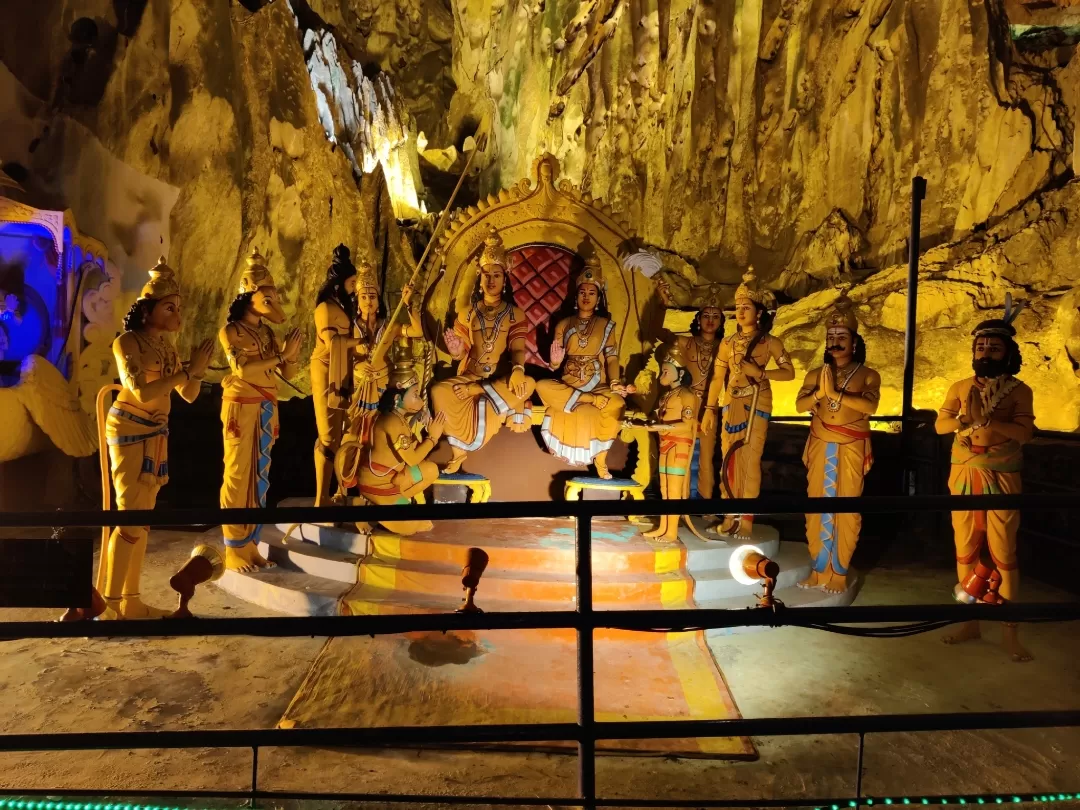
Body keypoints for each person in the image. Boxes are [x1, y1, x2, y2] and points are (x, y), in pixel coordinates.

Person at [101, 257, 213, 618]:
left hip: (156, 433)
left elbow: (190, 395)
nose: (176, 314)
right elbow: (142, 392)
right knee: (129, 520)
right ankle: (110, 605)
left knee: (142, 522)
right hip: (130, 430)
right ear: (147, 311)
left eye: (178, 307)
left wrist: (196, 371)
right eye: (169, 307)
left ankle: (130, 600)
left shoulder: (167, 347)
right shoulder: (127, 343)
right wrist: (188, 372)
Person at [935, 298, 1035, 662]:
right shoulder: (960, 387)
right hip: (963, 475)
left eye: (994, 347)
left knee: (1004, 552)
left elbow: (1024, 433)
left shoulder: (1019, 391)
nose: (986, 351)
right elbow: (940, 425)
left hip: (1001, 476)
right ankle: (970, 619)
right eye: (980, 346)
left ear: (1008, 352)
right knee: (965, 548)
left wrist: (988, 423)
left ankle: (1010, 630)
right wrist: (964, 421)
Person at [218, 250, 302, 573]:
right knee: (237, 476)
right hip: (241, 407)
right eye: (266, 298)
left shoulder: (267, 333)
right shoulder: (231, 332)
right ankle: (233, 547)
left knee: (260, 476)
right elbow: (243, 370)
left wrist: (290, 355)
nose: (272, 304)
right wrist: (280, 357)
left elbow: (287, 375)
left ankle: (251, 544)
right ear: (248, 295)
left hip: (267, 405)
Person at [794, 293, 880, 593]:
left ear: (854, 342)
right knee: (815, 505)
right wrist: (821, 393)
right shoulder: (817, 374)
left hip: (851, 445)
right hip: (820, 442)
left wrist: (837, 396)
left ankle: (839, 572)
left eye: (841, 336)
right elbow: (799, 405)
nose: (835, 341)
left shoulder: (868, 375)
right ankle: (818, 570)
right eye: (830, 336)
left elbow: (870, 408)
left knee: (847, 507)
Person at [431, 227, 535, 473]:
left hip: (498, 378)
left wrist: (518, 370)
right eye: (486, 274)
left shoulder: (514, 313)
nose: (491, 280)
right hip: (470, 374)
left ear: (505, 277)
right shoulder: (467, 313)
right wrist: (457, 351)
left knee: (527, 383)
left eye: (496, 275)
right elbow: (463, 349)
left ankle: (480, 391)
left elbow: (518, 349)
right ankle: (458, 453)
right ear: (479, 277)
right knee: (438, 391)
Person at [700, 268, 794, 538]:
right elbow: (717, 377)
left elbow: (789, 373)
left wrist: (761, 373)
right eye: (738, 307)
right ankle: (730, 515)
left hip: (757, 401)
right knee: (728, 460)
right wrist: (709, 409)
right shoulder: (728, 343)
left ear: (759, 313)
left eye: (746, 307)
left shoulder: (770, 342)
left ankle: (748, 518)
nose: (741, 312)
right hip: (731, 402)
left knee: (750, 460)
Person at [537, 256, 631, 479]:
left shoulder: (606, 325)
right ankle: (587, 401)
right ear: (576, 295)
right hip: (569, 385)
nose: (586, 297)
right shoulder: (563, 323)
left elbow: (611, 358)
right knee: (542, 385)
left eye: (592, 293)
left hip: (596, 384)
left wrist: (615, 382)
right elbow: (555, 364)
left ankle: (601, 458)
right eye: (583, 292)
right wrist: (555, 362)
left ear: (598, 298)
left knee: (617, 403)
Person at [354, 358, 444, 535]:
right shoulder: (392, 422)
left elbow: (415, 454)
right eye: (415, 395)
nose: (420, 400)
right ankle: (363, 507)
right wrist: (433, 438)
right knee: (411, 528)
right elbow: (411, 459)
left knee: (431, 470)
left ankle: (402, 500)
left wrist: (423, 430)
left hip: (395, 478)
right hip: (379, 484)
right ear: (397, 398)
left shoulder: (400, 418)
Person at [657, 280, 723, 497]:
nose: (710, 321)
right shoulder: (686, 343)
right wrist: (663, 303)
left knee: (706, 455)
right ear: (698, 319)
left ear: (722, 321)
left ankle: (704, 503)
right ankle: (680, 500)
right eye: (706, 316)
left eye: (715, 317)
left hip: (709, 405)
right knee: (680, 450)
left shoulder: (725, 347)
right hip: (686, 400)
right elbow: (659, 332)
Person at [348, 260, 423, 449]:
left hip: (383, 384)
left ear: (378, 299)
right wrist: (357, 366)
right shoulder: (350, 327)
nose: (368, 301)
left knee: (379, 427)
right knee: (356, 429)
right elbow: (342, 356)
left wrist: (408, 303)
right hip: (360, 385)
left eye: (372, 296)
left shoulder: (389, 327)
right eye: (363, 297)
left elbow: (417, 331)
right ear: (357, 300)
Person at [311, 245, 358, 507]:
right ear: (339, 284)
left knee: (346, 433)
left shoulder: (343, 308)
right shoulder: (325, 309)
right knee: (328, 436)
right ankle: (321, 498)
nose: (354, 289)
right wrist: (359, 341)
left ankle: (341, 490)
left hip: (344, 371)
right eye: (351, 283)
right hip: (326, 372)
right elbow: (332, 344)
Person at [636, 344, 698, 541]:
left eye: (665, 371)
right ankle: (663, 527)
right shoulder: (665, 396)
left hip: (679, 445)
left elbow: (687, 426)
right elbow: (658, 419)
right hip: (665, 444)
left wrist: (662, 428)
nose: (661, 374)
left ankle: (671, 532)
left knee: (674, 490)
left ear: (679, 373)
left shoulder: (687, 396)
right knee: (664, 489)